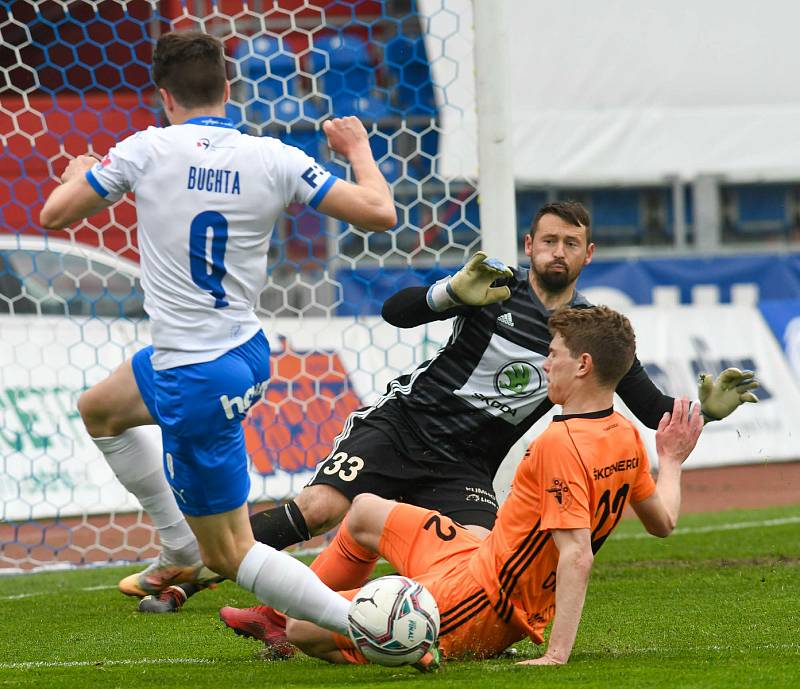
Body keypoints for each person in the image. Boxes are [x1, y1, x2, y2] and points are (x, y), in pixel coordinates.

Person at [158, 201, 757, 635]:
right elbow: (395, 312)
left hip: (467, 466)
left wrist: (706, 410)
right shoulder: (493, 291)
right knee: (322, 508)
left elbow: (656, 413)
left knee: (480, 564)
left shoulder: (586, 335)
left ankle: (293, 617)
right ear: (529, 247)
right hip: (402, 426)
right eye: (548, 241)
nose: (558, 252)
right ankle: (197, 567)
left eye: (571, 243)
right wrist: (448, 292)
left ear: (588, 253)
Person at [39, 30, 397, 633]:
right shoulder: (274, 156)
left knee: (229, 553)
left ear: (163, 96)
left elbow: (54, 214)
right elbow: (380, 212)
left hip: (192, 375)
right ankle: (177, 546)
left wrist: (85, 173)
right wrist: (357, 147)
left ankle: (368, 627)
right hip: (243, 352)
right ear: (228, 88)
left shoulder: (144, 150)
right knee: (100, 409)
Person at [283, 306, 705, 667]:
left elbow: (576, 554)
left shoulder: (563, 443)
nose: (545, 364)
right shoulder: (625, 434)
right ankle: (309, 600)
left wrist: (556, 655)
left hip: (483, 602)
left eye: (553, 354)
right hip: (478, 558)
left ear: (583, 365)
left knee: (301, 627)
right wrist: (669, 462)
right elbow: (663, 522)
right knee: (364, 510)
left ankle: (407, 646)